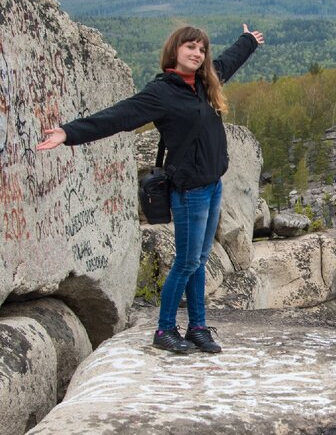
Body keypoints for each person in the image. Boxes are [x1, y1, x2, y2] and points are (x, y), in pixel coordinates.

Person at [36, 23, 265, 354]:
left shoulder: (204, 83)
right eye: (190, 47)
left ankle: (198, 327)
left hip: (213, 187)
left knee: (199, 260)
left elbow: (228, 61)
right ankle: (165, 329)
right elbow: (119, 116)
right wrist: (68, 133)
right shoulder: (161, 93)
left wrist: (247, 41)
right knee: (187, 262)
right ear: (174, 51)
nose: (197, 54)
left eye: (202, 49)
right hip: (189, 192)